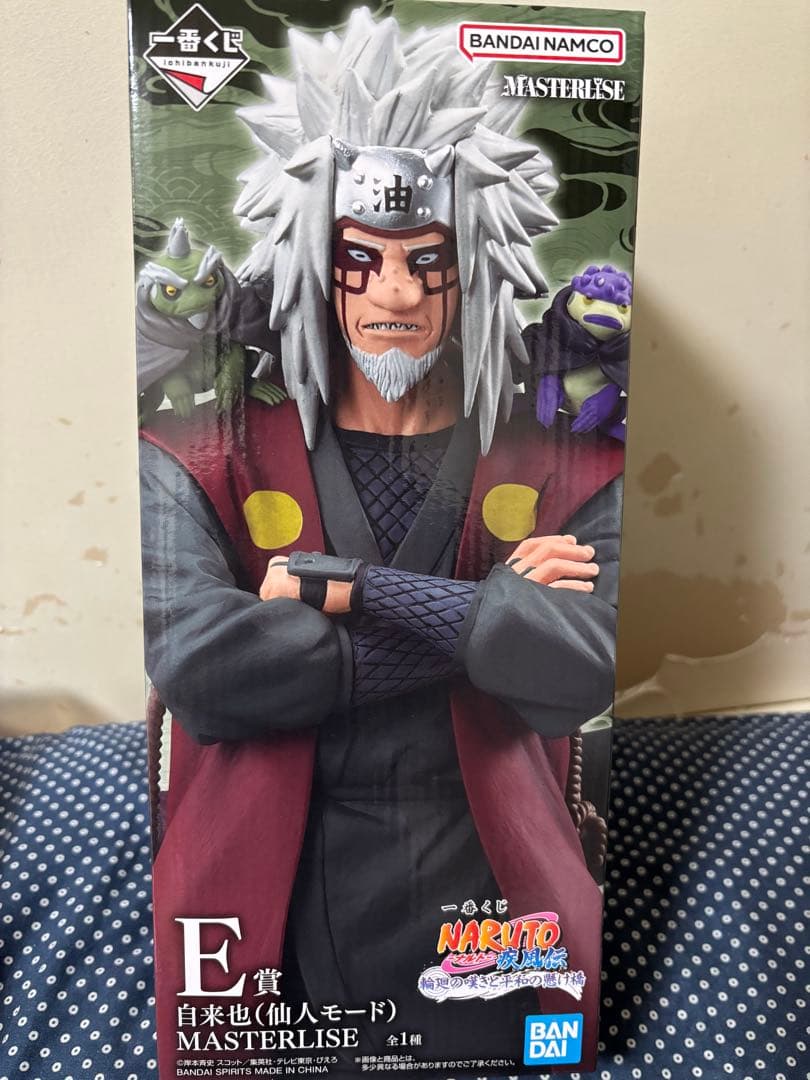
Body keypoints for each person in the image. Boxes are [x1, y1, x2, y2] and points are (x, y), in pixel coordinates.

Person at [138, 10, 624, 1076]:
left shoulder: (570, 450)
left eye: (427, 259)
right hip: (267, 904)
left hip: (499, 900)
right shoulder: (197, 446)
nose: (397, 293)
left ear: (476, 258)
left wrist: (344, 589)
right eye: (359, 258)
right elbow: (201, 668)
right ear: (308, 259)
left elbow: (585, 667)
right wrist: (491, 616)